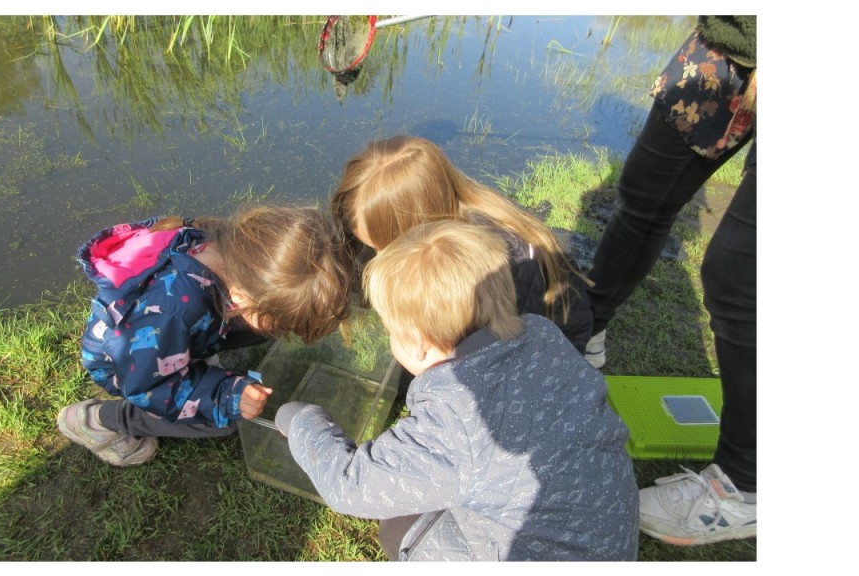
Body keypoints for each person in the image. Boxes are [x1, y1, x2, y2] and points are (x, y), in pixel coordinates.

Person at [274, 220, 639, 561]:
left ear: (417, 344)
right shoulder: (543, 335)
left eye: (390, 331)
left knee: (397, 529)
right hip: (611, 538)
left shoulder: (456, 418)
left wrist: (300, 417)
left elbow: (348, 486)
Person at [584, 16, 757, 545]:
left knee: (740, 273)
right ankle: (586, 331)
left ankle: (746, 486)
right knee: (641, 197)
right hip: (729, 44)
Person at [57, 205, 354, 466]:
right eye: (283, 322)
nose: (284, 330)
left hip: (162, 339)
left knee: (258, 332)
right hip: (130, 369)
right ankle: (97, 421)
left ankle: (193, 358)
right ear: (241, 297)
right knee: (222, 420)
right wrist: (226, 394)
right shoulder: (176, 312)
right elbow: (149, 387)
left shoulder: (228, 247)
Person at [331, 135, 594, 356]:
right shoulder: (453, 216)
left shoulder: (487, 267)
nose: (377, 255)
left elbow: (487, 353)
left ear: (416, 226)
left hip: (552, 351)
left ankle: (595, 351)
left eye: (381, 246)